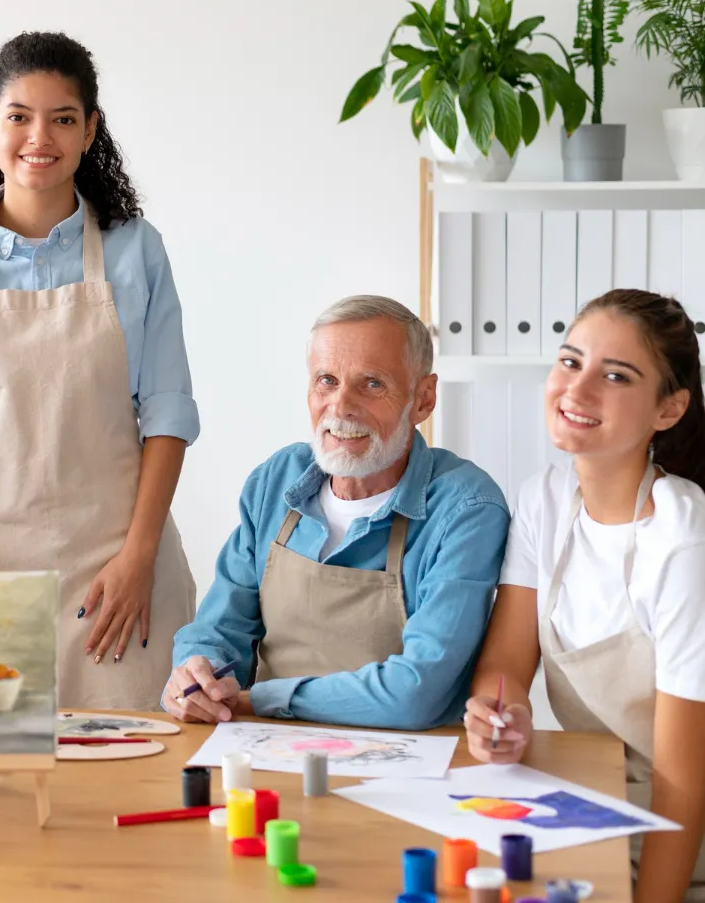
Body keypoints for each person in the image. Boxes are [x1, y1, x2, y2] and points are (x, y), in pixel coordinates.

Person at [0, 31, 197, 710]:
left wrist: (140, 557)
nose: (40, 137)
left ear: (90, 130)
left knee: (133, 777)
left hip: (120, 572)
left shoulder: (136, 250)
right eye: (19, 116)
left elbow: (170, 413)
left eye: (63, 118)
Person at [463, 290, 705, 902]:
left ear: (669, 409)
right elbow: (506, 664)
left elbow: (684, 780)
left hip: (681, 838)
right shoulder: (544, 500)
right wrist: (504, 712)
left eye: (616, 375)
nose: (578, 388)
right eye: (571, 362)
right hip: (595, 803)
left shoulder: (681, 541)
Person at [168, 295, 509, 729]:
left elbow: (415, 693)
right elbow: (218, 630)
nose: (341, 406)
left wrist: (260, 699)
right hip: (267, 747)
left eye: (372, 384)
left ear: (422, 399)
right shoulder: (275, 481)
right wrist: (196, 677)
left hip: (413, 768)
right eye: (326, 380)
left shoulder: (465, 507)